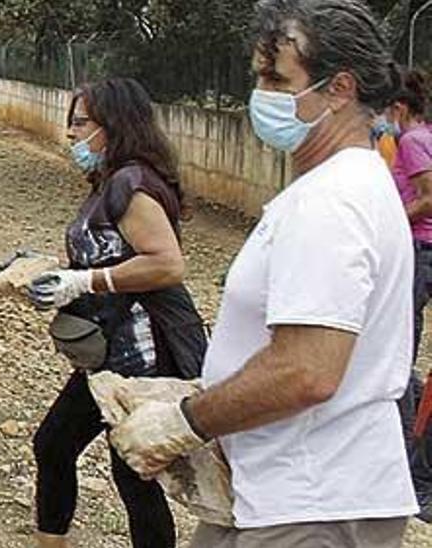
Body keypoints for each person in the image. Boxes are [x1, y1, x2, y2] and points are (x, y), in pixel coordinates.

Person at [110, 1, 418, 546]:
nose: (261, 95)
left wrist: (186, 421)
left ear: (339, 88)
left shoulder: (333, 201)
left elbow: (307, 369)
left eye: (277, 79)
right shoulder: (335, 187)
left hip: (312, 501)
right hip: (275, 492)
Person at [26, 77, 208, 548]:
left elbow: (167, 264)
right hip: (109, 357)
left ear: (116, 124)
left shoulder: (132, 183)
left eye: (81, 122)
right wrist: (55, 278)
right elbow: (106, 255)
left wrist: (87, 281)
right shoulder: (112, 180)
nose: (70, 134)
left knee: (131, 470)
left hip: (142, 359)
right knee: (55, 445)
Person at [388, 67, 432, 520]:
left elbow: (429, 195)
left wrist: (387, 218)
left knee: (399, 353)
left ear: (398, 108)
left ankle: (402, 462)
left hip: (418, 251)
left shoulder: (411, 140)